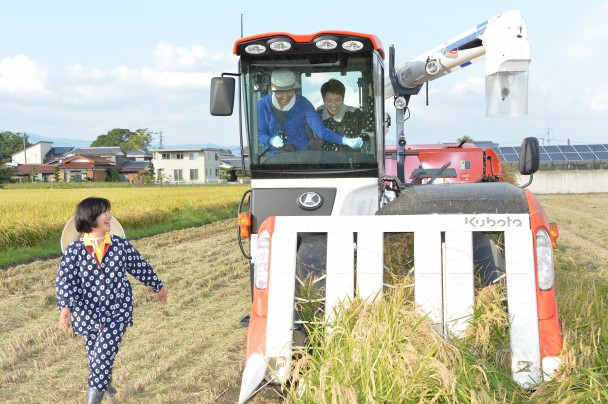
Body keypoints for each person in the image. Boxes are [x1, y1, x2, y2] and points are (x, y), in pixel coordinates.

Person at [56, 197, 167, 404]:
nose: (110, 216)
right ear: (90, 218)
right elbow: (65, 281)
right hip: (86, 315)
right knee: (95, 356)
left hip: (117, 312)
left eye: (109, 211)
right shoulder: (74, 251)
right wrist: (65, 307)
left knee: (102, 355)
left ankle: (93, 399)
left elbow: (140, 267)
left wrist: (157, 286)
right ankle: (104, 384)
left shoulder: (120, 246)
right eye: (104, 212)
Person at [257, 70, 363, 153]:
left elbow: (320, 130)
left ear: (294, 88)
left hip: (302, 157)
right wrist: (270, 140)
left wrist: (344, 140)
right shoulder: (262, 105)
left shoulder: (303, 103)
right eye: (280, 92)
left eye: (289, 90)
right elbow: (260, 134)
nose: (285, 96)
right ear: (273, 90)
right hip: (273, 159)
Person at [317, 78, 374, 150]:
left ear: (343, 99)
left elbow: (370, 127)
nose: (333, 105)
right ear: (323, 100)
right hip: (322, 159)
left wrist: (371, 97)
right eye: (329, 101)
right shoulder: (318, 114)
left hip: (350, 159)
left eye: (337, 100)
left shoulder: (354, 114)